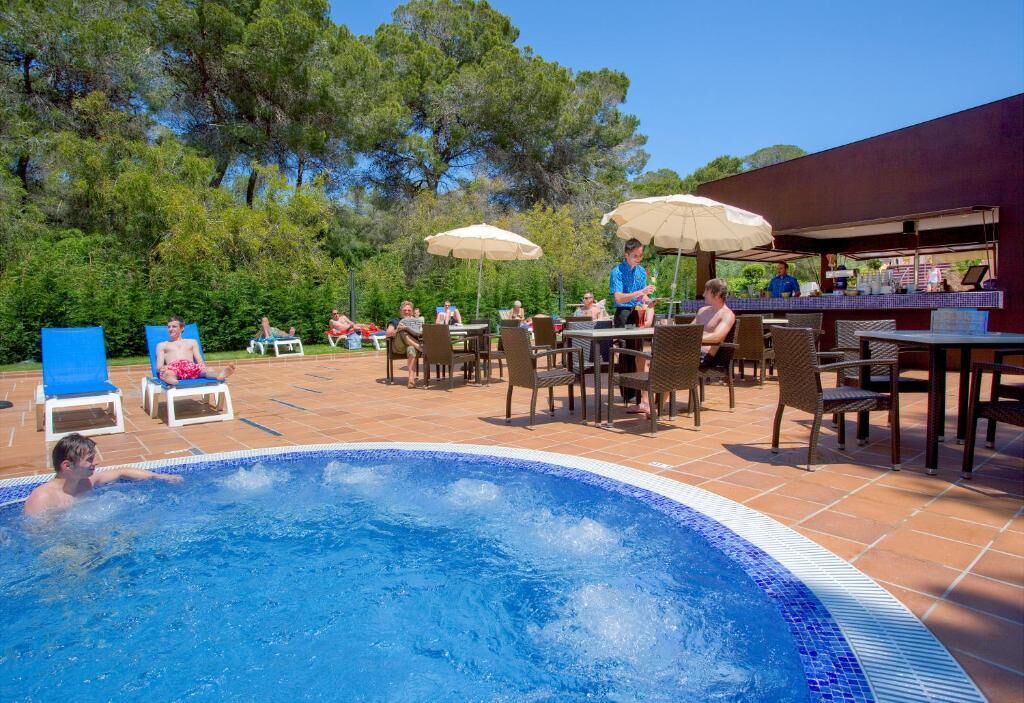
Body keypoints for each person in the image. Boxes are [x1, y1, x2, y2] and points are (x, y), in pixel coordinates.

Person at [24, 434, 183, 517]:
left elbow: (122, 471)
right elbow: (39, 540)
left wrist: (158, 476)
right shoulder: (43, 498)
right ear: (67, 465)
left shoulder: (84, 483)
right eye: (89, 460)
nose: (96, 462)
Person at [610, 238, 657, 414]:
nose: (638, 258)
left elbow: (642, 298)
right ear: (626, 255)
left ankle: (641, 398)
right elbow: (619, 298)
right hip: (623, 315)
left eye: (640, 255)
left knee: (639, 355)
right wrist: (640, 293)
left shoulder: (641, 272)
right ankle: (631, 395)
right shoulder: (617, 272)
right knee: (627, 355)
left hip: (638, 313)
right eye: (635, 256)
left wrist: (649, 300)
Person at [157, 315, 234, 385]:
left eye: (174, 326)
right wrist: (162, 368)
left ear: (182, 328)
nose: (170, 329)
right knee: (168, 373)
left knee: (208, 370)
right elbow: (159, 366)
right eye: (169, 327)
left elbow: (199, 358)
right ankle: (172, 380)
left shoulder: (192, 342)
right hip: (173, 368)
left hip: (190, 367)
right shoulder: (162, 345)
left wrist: (202, 365)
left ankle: (219, 376)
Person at [695, 278, 736, 368]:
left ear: (717, 294)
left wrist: (693, 338)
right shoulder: (702, 311)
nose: (703, 294)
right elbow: (688, 330)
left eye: (707, 291)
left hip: (706, 356)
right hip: (692, 352)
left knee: (668, 359)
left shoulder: (727, 315)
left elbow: (717, 337)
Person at [386, 300, 424, 388]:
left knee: (411, 349)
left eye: (409, 310)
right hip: (399, 346)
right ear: (401, 311)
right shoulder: (395, 321)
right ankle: (421, 348)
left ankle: (411, 379)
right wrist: (397, 330)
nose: (407, 312)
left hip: (410, 346)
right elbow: (388, 333)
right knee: (403, 329)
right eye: (405, 310)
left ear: (412, 311)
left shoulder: (416, 321)